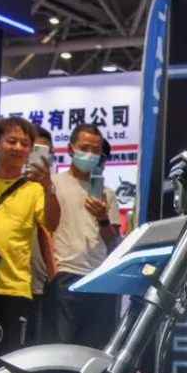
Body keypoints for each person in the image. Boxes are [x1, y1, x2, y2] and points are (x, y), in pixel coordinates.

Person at [0, 117, 60, 372]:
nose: (18, 148)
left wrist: (48, 187)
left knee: (7, 366)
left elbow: (51, 223)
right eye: (11, 141)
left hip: (15, 288)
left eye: (24, 143)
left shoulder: (35, 190)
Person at [42, 125, 120, 348]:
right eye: (84, 148)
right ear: (70, 149)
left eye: (95, 150)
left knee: (95, 348)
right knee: (59, 347)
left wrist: (102, 218)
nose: (90, 155)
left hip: (98, 278)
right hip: (64, 274)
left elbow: (113, 242)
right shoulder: (54, 184)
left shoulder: (107, 193)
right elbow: (45, 226)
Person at [27, 125, 58, 345]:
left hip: (35, 280)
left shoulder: (48, 189)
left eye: (44, 152)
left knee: (29, 343)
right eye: (33, 149)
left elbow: (48, 227)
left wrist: (51, 266)